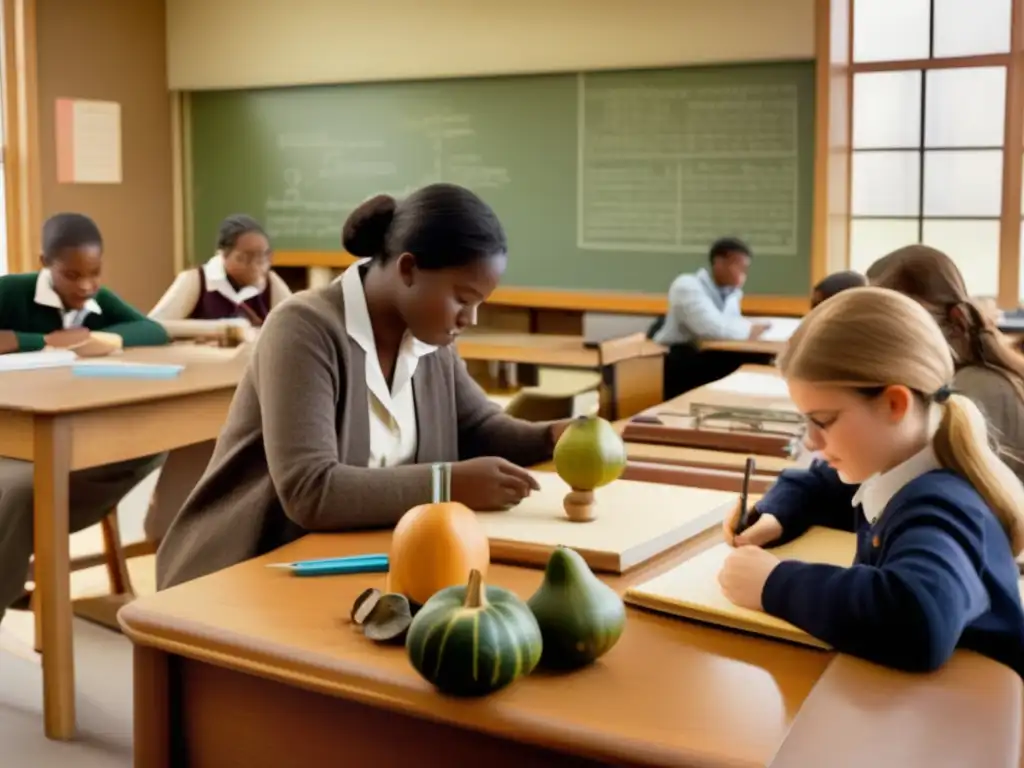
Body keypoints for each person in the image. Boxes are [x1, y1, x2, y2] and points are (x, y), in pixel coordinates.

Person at [156, 183, 571, 589]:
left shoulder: (430, 339)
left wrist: (553, 437)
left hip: (357, 563)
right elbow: (310, 490)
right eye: (462, 299)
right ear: (408, 269)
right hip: (247, 574)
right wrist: (447, 484)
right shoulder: (303, 328)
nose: (470, 318)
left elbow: (479, 427)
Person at [718, 287, 1024, 677]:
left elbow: (918, 619)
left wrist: (774, 583)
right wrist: (775, 516)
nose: (811, 441)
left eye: (823, 420)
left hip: (968, 723)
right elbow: (818, 486)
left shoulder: (940, 506)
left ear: (895, 404)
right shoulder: (898, 464)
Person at [0, 212, 167, 624]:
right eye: (72, 274)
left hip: (69, 433)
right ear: (45, 262)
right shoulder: (12, 291)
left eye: (94, 273)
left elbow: (153, 331)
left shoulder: (95, 301)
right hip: (12, 436)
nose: (86, 285)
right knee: (21, 489)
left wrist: (92, 338)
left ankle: (18, 551)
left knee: (151, 447)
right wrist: (46, 341)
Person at [867, 245, 1024, 483]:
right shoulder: (946, 380)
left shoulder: (975, 389)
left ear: (955, 319)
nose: (889, 338)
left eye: (902, 321)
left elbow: (943, 491)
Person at [651, 237, 772, 397]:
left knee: (761, 360)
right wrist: (750, 329)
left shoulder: (731, 293)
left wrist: (748, 328)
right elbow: (712, 329)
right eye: (739, 267)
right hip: (682, 359)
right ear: (718, 262)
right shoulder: (687, 285)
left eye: (745, 269)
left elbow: (731, 325)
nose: (743, 274)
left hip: (709, 355)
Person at [148, 214, 292, 340]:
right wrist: (221, 328)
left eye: (262, 257)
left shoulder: (271, 283)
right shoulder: (196, 280)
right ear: (223, 254)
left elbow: (296, 323)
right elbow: (154, 326)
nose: (256, 266)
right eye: (244, 258)